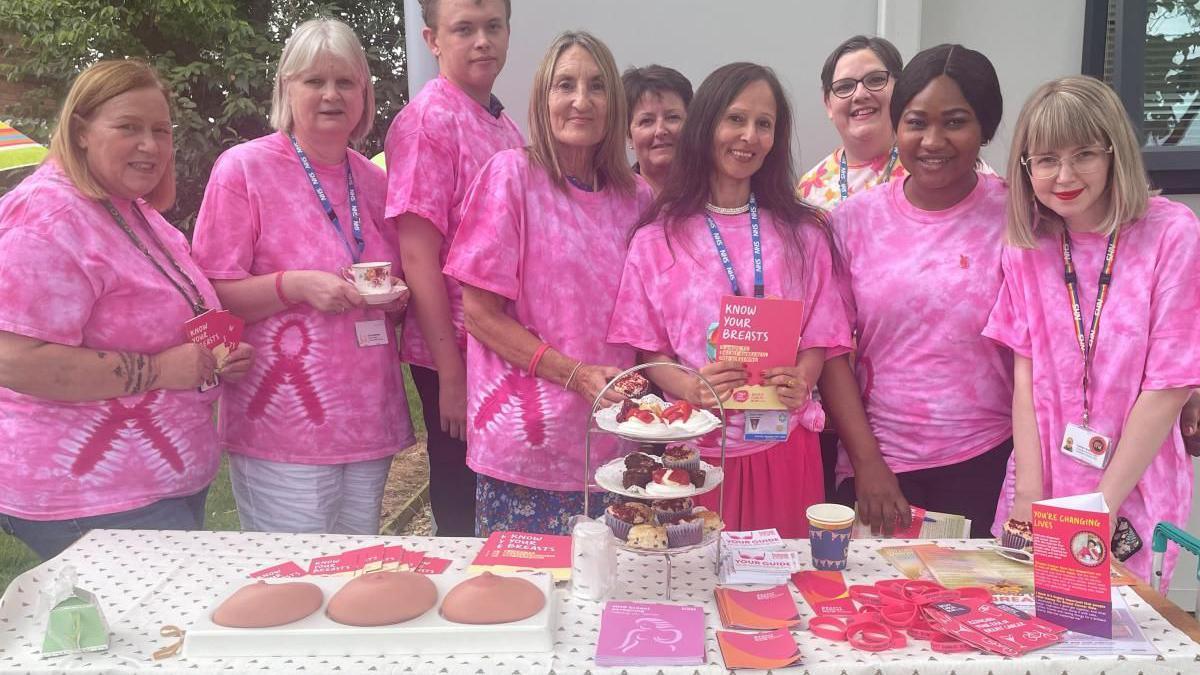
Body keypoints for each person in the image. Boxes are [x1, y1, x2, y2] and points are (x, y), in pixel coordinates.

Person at [0, 60, 254, 559]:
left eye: (161, 131)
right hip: (92, 497)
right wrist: (161, 370)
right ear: (80, 132)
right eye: (129, 127)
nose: (151, 145)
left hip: (156, 484)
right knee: (158, 632)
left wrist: (215, 358)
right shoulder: (46, 217)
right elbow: (13, 358)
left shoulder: (131, 210)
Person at [609, 63, 852, 537]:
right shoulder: (658, 238)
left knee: (781, 596)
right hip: (693, 454)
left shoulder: (804, 233)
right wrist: (691, 386)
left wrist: (802, 378)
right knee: (697, 590)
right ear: (706, 126)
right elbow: (648, 351)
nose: (749, 136)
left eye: (764, 124)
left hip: (783, 447)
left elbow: (820, 335)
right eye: (735, 119)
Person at [191, 18, 414, 535]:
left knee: (355, 578)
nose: (331, 94)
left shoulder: (376, 181)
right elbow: (208, 297)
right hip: (282, 426)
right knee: (292, 581)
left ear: (365, 92)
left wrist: (394, 299)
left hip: (368, 419)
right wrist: (294, 286)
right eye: (314, 81)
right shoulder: (244, 170)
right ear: (287, 89)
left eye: (346, 81)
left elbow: (397, 287)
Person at [987, 75, 1199, 583]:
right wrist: (1028, 494)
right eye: (1045, 159)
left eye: (1084, 153)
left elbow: (1170, 385)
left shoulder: (1173, 233)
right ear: (1026, 167)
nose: (1064, 174)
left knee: (1118, 644)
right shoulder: (1025, 246)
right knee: (1028, 629)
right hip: (1042, 479)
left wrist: (1099, 507)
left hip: (1132, 488)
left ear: (1113, 154)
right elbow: (1026, 376)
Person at [444, 31, 653, 536]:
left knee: (612, 599)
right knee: (527, 600)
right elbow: (479, 314)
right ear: (544, 98)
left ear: (615, 103)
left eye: (597, 87)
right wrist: (575, 373)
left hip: (615, 444)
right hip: (526, 448)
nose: (582, 101)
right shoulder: (511, 177)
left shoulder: (638, 198)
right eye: (566, 85)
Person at [821, 44, 1012, 538]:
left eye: (954, 122)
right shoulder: (852, 223)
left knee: (972, 613)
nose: (933, 140)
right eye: (916, 122)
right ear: (896, 126)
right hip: (879, 467)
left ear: (985, 128)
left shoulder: (1019, 217)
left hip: (987, 461)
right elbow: (831, 351)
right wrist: (867, 463)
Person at [385, 0, 523, 537]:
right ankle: (467, 605)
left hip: (498, 346)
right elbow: (418, 255)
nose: (482, 41)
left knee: (499, 491)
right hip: (456, 351)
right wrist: (450, 373)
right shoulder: (427, 122)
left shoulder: (502, 122)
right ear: (432, 40)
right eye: (463, 29)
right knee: (462, 501)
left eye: (493, 27)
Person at [797, 35, 907, 211]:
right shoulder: (809, 191)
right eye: (845, 87)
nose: (860, 94)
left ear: (900, 88)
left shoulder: (925, 170)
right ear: (828, 104)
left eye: (876, 80)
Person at [622, 65, 693, 194]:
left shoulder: (720, 197)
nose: (660, 131)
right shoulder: (613, 203)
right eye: (647, 121)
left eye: (672, 117)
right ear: (628, 136)